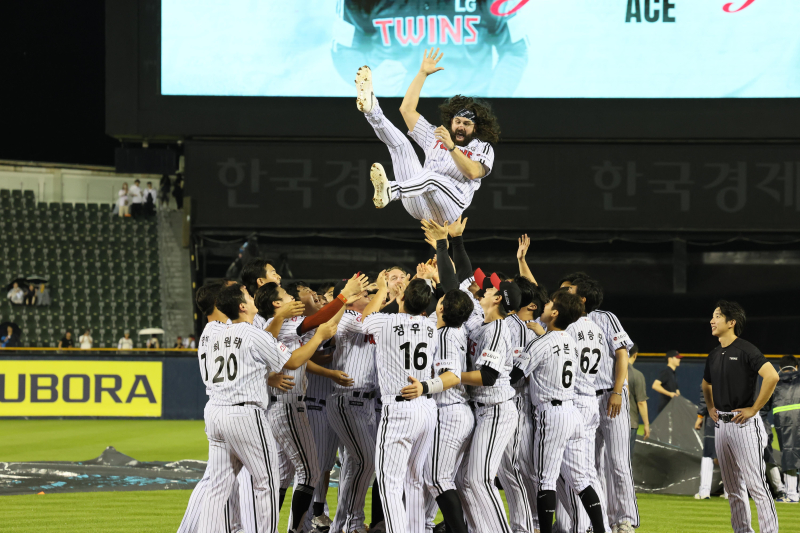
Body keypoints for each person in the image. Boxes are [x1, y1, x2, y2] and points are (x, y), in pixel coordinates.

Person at [197, 282, 337, 533]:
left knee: (217, 487)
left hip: (215, 412)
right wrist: (319, 337)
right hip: (243, 413)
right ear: (241, 306)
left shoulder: (210, 332)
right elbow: (293, 361)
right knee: (267, 484)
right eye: (249, 296)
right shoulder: (252, 333)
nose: (252, 298)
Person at [359, 48, 497, 224]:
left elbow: (472, 172)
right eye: (458, 121)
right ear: (451, 122)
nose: (461, 126)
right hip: (417, 201)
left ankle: (391, 191)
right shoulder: (437, 135)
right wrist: (422, 73)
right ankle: (371, 110)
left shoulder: (481, 147)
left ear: (476, 128)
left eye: (467, 124)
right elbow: (407, 110)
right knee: (401, 145)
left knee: (431, 177)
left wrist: (452, 148)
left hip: (449, 208)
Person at [511, 291, 610, 533]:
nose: (543, 307)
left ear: (555, 313)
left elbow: (514, 378)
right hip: (572, 412)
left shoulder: (540, 342)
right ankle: (600, 529)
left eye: (548, 305)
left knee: (545, 479)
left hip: (551, 414)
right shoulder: (570, 342)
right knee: (581, 480)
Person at [702, 300, 779, 533]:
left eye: (717, 316)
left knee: (756, 485)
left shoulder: (746, 349)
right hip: (722, 425)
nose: (712, 320)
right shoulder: (714, 354)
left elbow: (772, 376)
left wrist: (754, 409)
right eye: (712, 316)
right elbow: (706, 384)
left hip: (744, 424)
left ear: (731, 322)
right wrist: (710, 407)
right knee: (733, 489)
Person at [774, 354, 800, 503]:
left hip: (783, 422)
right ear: (796, 367)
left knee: (789, 454)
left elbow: (763, 406)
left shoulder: (774, 381)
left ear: (780, 368)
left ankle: (791, 494)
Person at [628, 344, 650, 456]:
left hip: (609, 422)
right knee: (625, 460)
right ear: (635, 355)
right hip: (629, 422)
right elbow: (641, 402)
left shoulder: (611, 371)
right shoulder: (637, 375)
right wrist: (646, 424)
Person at [653, 349, 682, 413]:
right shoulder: (666, 372)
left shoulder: (673, 374)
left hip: (671, 409)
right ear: (670, 359)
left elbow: (677, 392)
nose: (679, 360)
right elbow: (655, 385)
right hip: (665, 410)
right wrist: (669, 394)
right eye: (677, 358)